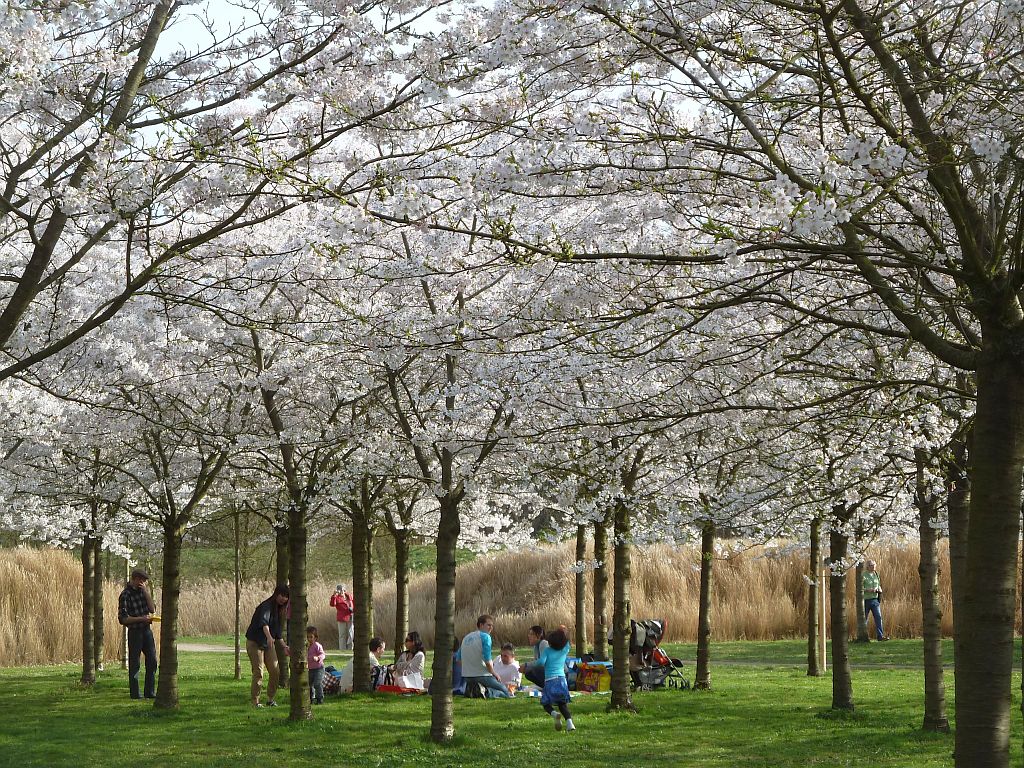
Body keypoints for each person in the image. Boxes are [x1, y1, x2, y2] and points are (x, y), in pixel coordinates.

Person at [245, 584, 290, 707]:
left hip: (268, 644)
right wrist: (269, 637)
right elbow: (264, 623)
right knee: (259, 671)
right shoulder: (266, 606)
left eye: (286, 597)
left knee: (275, 670)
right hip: (255, 642)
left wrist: (284, 646)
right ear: (276, 594)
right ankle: (255, 701)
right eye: (282, 595)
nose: (283, 598)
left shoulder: (280, 610)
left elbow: (278, 633)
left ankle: (270, 699)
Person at [117, 568, 158, 700]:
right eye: (141, 580)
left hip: (146, 631)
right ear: (134, 579)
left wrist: (146, 592)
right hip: (135, 632)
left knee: (152, 661)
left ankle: (149, 692)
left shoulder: (143, 592)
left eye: (144, 581)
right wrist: (141, 618)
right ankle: (135, 694)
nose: (142, 582)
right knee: (135, 663)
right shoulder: (125, 595)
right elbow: (123, 619)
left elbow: (152, 609)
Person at [460, 614, 511, 698]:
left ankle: (476, 690)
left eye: (492, 626)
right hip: (482, 675)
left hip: (467, 677)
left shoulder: (466, 638)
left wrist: (469, 668)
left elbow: (459, 660)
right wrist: (494, 673)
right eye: (489, 625)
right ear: (481, 625)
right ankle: (487, 692)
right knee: (505, 692)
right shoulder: (486, 637)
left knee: (491, 685)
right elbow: (487, 661)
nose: (491, 628)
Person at [536, 627, 575, 732]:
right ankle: (570, 723)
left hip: (550, 681)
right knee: (563, 704)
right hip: (562, 680)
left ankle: (554, 714)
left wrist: (535, 663)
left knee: (545, 703)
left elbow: (540, 662)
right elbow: (568, 643)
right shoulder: (564, 650)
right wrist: (564, 633)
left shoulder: (547, 650)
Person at [863, 560, 890, 641]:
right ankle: (864, 636)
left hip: (875, 600)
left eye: (874, 565)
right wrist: (869, 590)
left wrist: (879, 589)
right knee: (865, 619)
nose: (873, 566)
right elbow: (860, 588)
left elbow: (878, 585)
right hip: (866, 600)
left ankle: (880, 636)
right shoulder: (863, 575)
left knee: (878, 618)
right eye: (871, 565)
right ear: (867, 566)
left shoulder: (876, 574)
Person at [330, 584, 354, 650]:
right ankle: (342, 649)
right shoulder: (336, 598)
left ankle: (350, 649)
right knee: (342, 635)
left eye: (343, 590)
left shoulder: (349, 596)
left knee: (351, 634)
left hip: (350, 617)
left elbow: (354, 604)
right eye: (340, 590)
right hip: (342, 618)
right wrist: (334, 595)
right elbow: (332, 604)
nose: (342, 592)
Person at [307, 626, 327, 704]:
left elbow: (323, 654)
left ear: (315, 637)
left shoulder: (317, 645)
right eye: (308, 637)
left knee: (317, 683)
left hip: (319, 668)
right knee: (309, 684)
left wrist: (318, 658)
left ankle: (320, 698)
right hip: (310, 669)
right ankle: (311, 698)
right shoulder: (307, 646)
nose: (309, 639)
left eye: (311, 637)